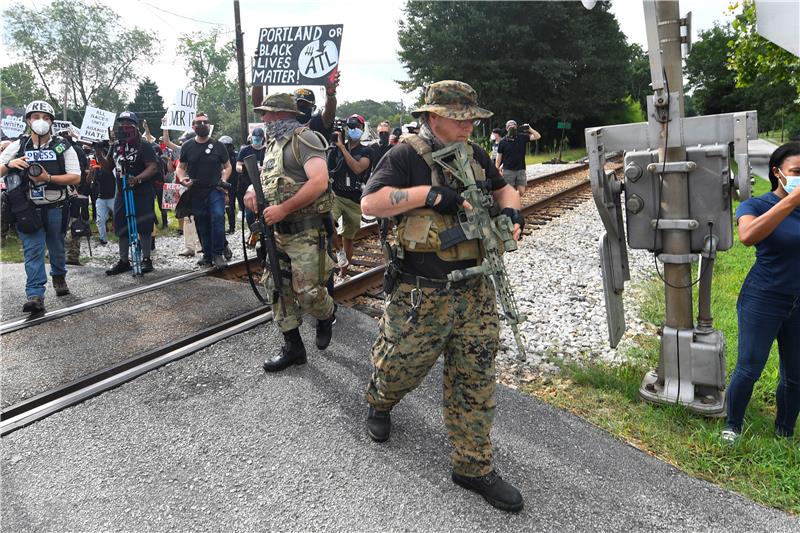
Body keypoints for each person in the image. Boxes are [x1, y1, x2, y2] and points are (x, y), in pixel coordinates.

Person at [360, 80, 525, 512]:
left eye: (473, 118)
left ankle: (472, 466)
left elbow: (502, 186)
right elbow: (371, 204)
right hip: (422, 295)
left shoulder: (472, 154)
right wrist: (428, 194)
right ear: (433, 117)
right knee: (398, 367)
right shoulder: (404, 156)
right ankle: (380, 401)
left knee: (475, 378)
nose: (469, 125)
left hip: (475, 291)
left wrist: (511, 208)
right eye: (460, 118)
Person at [243, 92, 337, 372]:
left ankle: (327, 314)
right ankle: (293, 348)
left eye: (268, 113)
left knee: (308, 292)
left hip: (305, 231)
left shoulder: (304, 139)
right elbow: (267, 178)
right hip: (277, 234)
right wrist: (251, 189)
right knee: (277, 289)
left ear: (282, 114)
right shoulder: (273, 144)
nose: (264, 119)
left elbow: (319, 182)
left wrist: (284, 208)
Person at [723, 141, 800, 442]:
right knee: (750, 367)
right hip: (763, 298)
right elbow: (747, 235)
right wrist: (790, 203)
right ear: (777, 173)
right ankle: (733, 425)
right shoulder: (755, 205)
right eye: (796, 171)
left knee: (795, 375)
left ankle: (785, 431)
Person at [0, 100, 81, 312]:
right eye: (36, 117)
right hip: (27, 209)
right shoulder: (19, 145)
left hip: (56, 206)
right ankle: (35, 294)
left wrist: (49, 177)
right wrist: (9, 165)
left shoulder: (62, 146)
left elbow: (75, 177)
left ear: (52, 122)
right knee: (33, 251)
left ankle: (59, 276)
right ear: (28, 120)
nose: (41, 122)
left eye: (45, 118)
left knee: (56, 247)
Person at [98, 111, 158, 275]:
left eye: (128, 123)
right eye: (121, 123)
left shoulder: (144, 145)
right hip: (121, 191)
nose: (124, 127)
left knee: (144, 225)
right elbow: (108, 166)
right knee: (121, 226)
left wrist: (137, 179)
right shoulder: (116, 145)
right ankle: (124, 261)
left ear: (135, 127)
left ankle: (146, 259)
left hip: (142, 191)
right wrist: (98, 151)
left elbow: (152, 167)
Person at [176, 113, 232, 270]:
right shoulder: (187, 146)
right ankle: (207, 256)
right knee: (202, 223)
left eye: (205, 122)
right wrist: (182, 179)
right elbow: (181, 167)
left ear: (209, 125)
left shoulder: (218, 145)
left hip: (215, 189)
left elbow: (228, 166)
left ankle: (218, 253)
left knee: (218, 218)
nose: (202, 125)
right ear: (193, 126)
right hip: (196, 190)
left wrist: (224, 179)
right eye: (198, 123)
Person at [328, 113, 372, 275]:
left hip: (354, 199)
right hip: (337, 195)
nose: (354, 130)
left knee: (349, 237)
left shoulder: (367, 151)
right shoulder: (336, 148)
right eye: (351, 127)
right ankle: (338, 251)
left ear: (362, 129)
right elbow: (328, 170)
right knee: (328, 221)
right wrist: (337, 145)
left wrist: (342, 148)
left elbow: (358, 168)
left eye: (357, 127)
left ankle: (343, 272)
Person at [251, 71, 341, 138]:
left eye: (305, 105)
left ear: (313, 108)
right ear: (293, 107)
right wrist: (260, 74)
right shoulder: (283, 125)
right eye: (299, 105)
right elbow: (260, 106)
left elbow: (329, 114)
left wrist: (330, 95)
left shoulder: (317, 123)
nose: (301, 107)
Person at [496, 119, 541, 195]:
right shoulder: (503, 141)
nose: (512, 128)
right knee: (509, 191)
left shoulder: (522, 137)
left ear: (516, 127)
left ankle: (515, 199)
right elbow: (499, 156)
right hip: (508, 170)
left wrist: (529, 129)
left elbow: (537, 136)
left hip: (521, 169)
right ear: (506, 129)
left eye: (514, 126)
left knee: (521, 191)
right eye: (510, 126)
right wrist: (497, 169)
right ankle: (513, 203)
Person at [236, 127, 267, 227]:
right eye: (255, 137)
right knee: (249, 213)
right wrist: (248, 168)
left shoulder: (267, 150)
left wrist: (263, 169)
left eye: (259, 138)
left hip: (264, 183)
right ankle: (253, 231)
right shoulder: (245, 150)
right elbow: (238, 166)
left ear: (263, 138)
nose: (257, 140)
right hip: (247, 183)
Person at [92, 146, 116, 245]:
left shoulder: (111, 168)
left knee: (120, 218)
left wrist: (111, 145)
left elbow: (109, 154)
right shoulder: (97, 169)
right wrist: (91, 171)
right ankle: (103, 239)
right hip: (101, 198)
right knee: (100, 220)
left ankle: (123, 236)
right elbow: (92, 183)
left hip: (113, 198)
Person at [219, 135, 238, 234]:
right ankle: (228, 227)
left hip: (233, 183)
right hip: (225, 183)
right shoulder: (220, 156)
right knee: (226, 206)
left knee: (230, 206)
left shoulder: (235, 155)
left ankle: (232, 227)